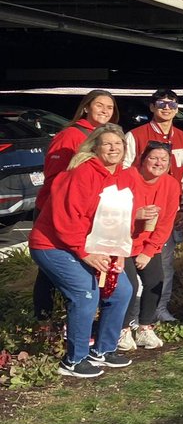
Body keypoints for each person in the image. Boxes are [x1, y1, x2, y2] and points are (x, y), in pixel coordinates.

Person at [29, 124, 134, 378]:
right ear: (95, 147)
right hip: (54, 244)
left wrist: (119, 250)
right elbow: (65, 218)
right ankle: (73, 360)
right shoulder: (81, 173)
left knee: (122, 291)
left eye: (118, 143)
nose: (113, 148)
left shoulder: (124, 175)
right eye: (107, 143)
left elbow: (124, 218)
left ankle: (104, 349)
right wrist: (85, 253)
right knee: (85, 293)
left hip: (93, 245)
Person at [33, 88, 118, 320]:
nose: (105, 111)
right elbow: (54, 177)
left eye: (110, 107)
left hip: (87, 213)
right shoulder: (71, 135)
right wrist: (64, 208)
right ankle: (44, 320)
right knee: (50, 273)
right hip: (57, 212)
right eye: (99, 105)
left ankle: (74, 317)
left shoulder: (107, 137)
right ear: (86, 107)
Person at [124, 88, 183, 323]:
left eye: (172, 104)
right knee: (136, 265)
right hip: (140, 214)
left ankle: (159, 309)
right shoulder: (135, 136)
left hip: (171, 210)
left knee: (165, 263)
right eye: (161, 104)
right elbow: (124, 174)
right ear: (152, 107)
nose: (166, 108)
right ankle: (134, 314)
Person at [117, 142, 183, 352]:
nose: (158, 163)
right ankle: (122, 329)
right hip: (121, 241)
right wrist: (134, 214)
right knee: (129, 287)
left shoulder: (171, 185)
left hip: (148, 242)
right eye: (153, 158)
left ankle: (145, 327)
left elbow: (166, 222)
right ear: (142, 159)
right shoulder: (127, 177)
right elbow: (110, 212)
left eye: (164, 159)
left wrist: (149, 251)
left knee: (155, 281)